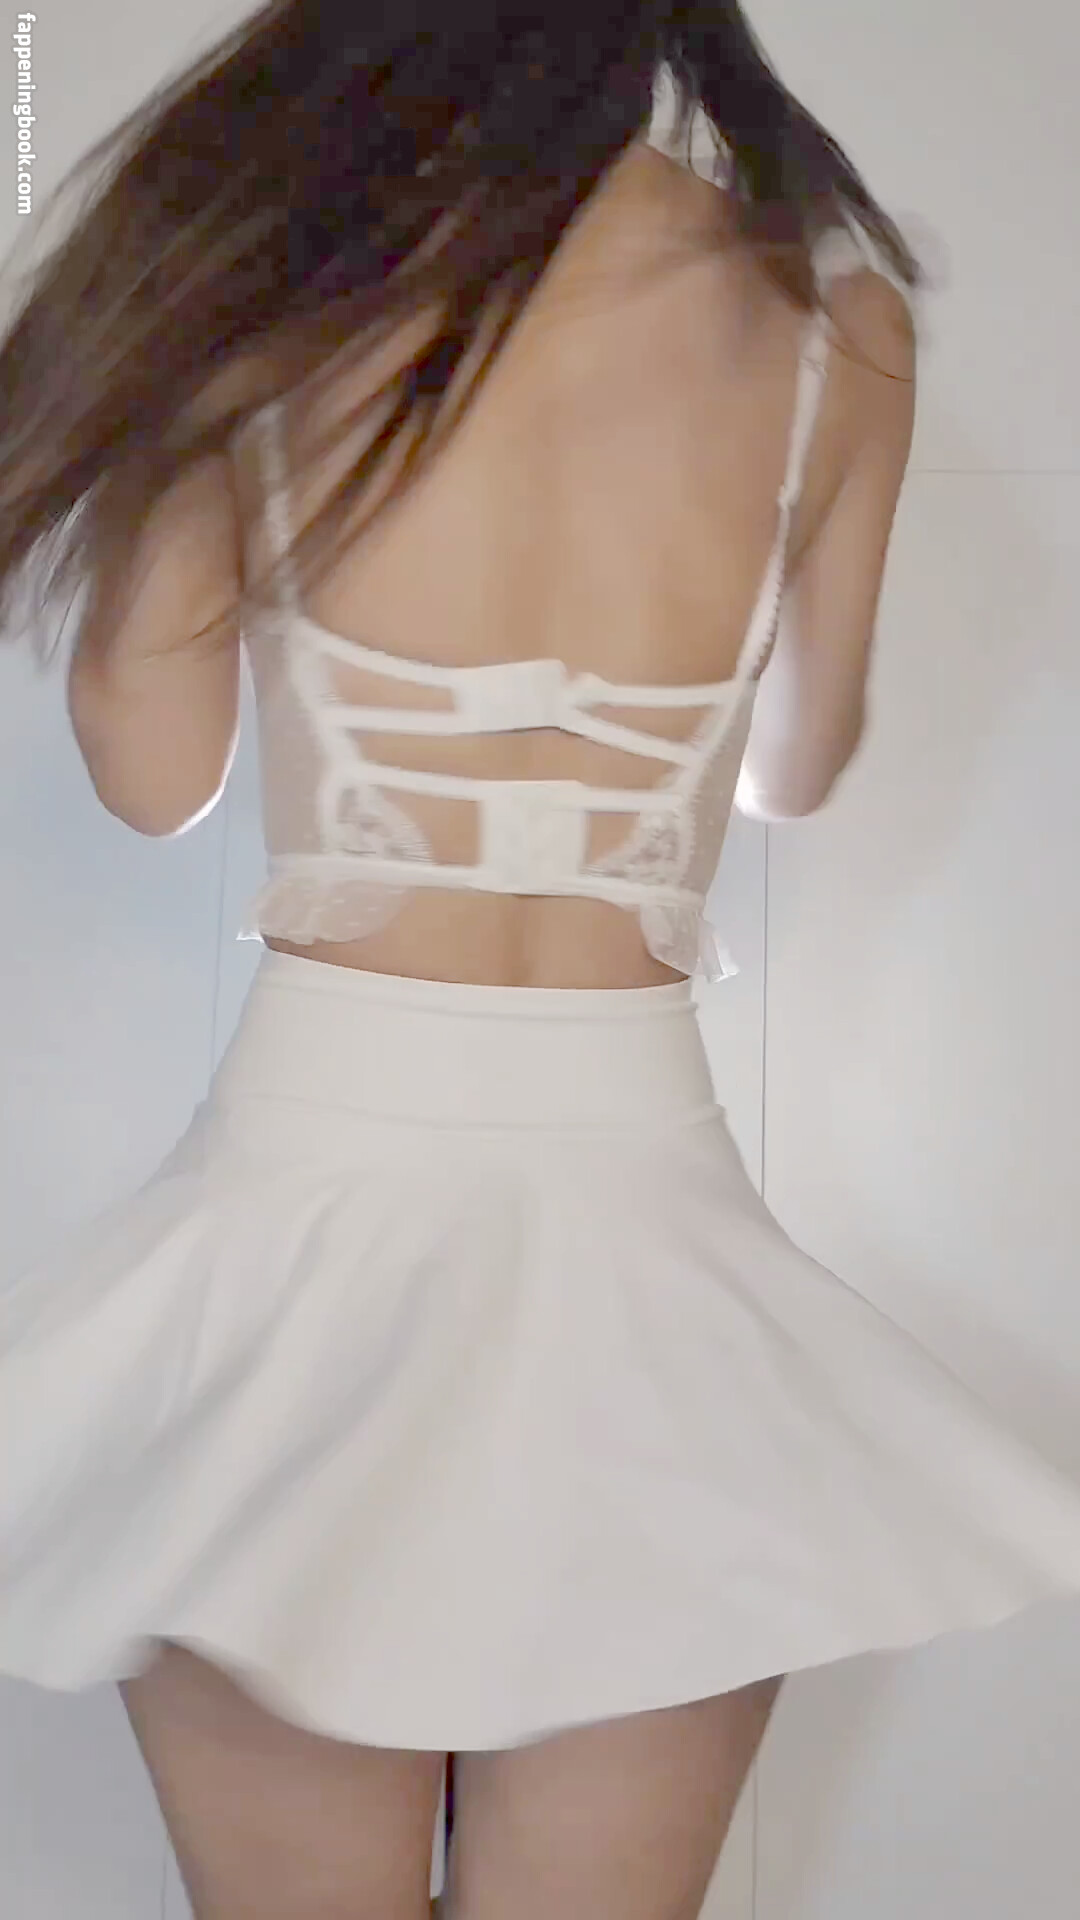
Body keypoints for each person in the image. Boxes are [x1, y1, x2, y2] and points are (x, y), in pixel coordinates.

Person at [2, 6, 1080, 1918]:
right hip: (641, 1214)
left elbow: (155, 779)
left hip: (306, 1202)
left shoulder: (268, 291)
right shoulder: (839, 326)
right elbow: (800, 768)